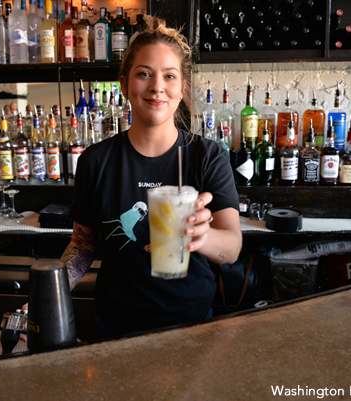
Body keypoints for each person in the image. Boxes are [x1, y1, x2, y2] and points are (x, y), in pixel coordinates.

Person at [62, 16, 242, 338]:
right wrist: (52, 289)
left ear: (181, 87)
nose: (157, 86)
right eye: (144, 73)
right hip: (115, 326)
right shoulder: (95, 160)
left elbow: (232, 247)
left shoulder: (208, 156)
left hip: (193, 324)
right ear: (124, 84)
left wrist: (202, 237)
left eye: (169, 76)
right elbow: (83, 244)